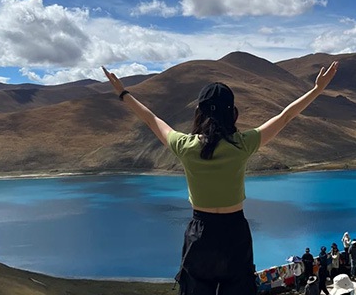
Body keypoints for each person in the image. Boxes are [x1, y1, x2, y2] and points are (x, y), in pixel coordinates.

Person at [102, 62, 339, 295]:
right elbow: (285, 116)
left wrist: (123, 93)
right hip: (235, 231)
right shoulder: (242, 144)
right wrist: (316, 89)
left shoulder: (186, 146)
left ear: (199, 113)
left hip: (199, 233)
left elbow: (151, 119)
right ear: (232, 113)